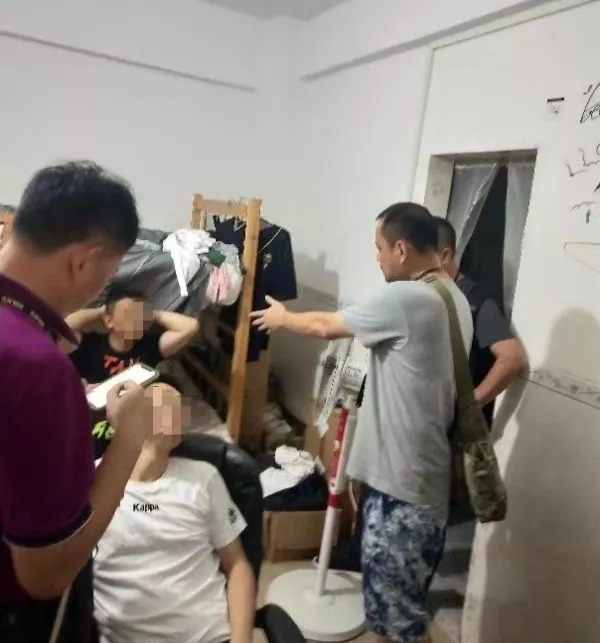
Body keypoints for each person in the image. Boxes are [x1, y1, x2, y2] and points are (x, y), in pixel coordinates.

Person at [251, 202, 473, 643]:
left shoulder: (407, 297)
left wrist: (282, 317)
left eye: (379, 247)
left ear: (402, 249)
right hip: (425, 482)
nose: (377, 256)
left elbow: (326, 325)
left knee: (394, 617)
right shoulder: (454, 297)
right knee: (404, 605)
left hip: (400, 489)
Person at [0, 161, 154, 643]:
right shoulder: (37, 369)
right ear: (83, 263)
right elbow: (45, 576)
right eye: (104, 279)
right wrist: (129, 439)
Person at [93, 374, 256, 643]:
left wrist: (242, 639)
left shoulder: (204, 477)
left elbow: (237, 564)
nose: (177, 407)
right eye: (164, 398)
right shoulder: (93, 480)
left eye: (179, 403)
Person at [435, 217, 527, 427]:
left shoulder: (476, 301)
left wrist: (466, 407)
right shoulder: (427, 295)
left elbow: (512, 357)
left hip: (451, 430)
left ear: (444, 256)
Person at [66, 286, 200, 383]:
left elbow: (190, 326)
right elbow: (61, 325)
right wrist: (100, 312)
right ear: (109, 320)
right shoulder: (89, 345)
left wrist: (153, 314)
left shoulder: (149, 346)